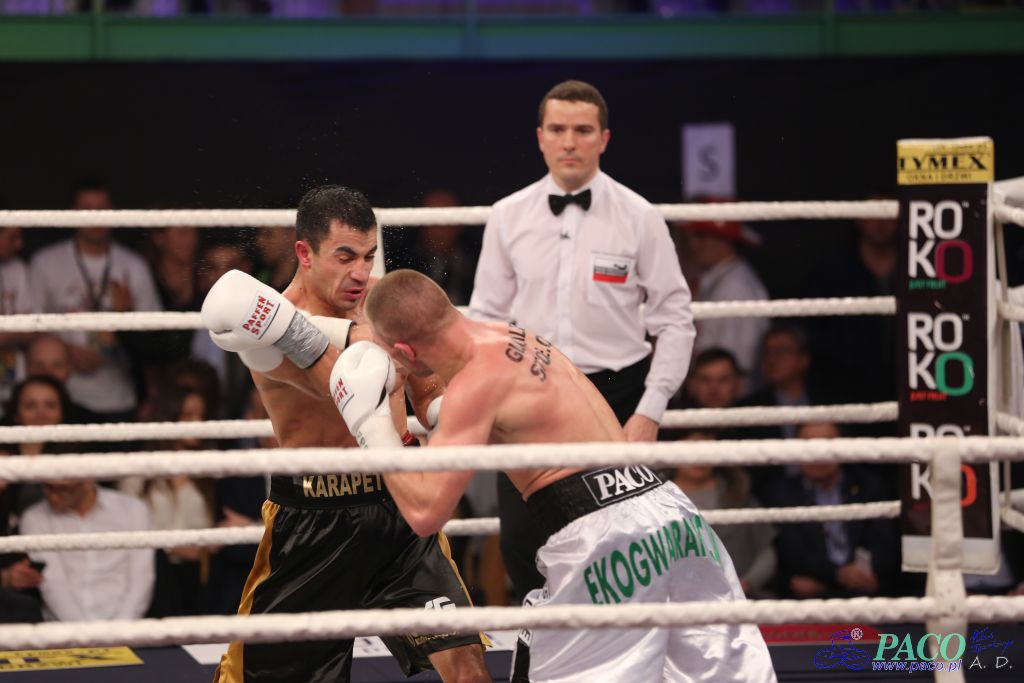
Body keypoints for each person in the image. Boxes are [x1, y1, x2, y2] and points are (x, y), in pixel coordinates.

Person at [205, 267, 773, 682]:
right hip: (672, 517)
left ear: (404, 350)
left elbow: (425, 514)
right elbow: (461, 413)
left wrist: (374, 429)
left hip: (605, 544)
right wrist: (295, 328)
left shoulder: (474, 388)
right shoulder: (514, 338)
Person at [201, 186, 489, 683]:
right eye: (345, 256)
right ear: (304, 253)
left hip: (399, 511)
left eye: (369, 256)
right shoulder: (268, 327)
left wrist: (457, 411)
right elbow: (346, 383)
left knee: (467, 666)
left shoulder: (382, 302)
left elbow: (428, 394)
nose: (360, 272)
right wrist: (360, 335)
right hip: (313, 522)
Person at [468, 80, 695, 600]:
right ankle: (545, 644)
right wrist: (488, 400)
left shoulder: (640, 216)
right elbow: (485, 319)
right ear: (540, 137)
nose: (569, 141)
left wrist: (650, 410)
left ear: (604, 138)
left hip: (617, 394)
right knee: (523, 541)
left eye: (582, 130)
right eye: (558, 129)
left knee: (623, 542)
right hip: (528, 391)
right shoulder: (508, 215)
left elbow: (675, 319)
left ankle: (622, 649)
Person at [28, 181, 162, 422]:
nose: (95, 216)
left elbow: (154, 338)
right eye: (86, 208)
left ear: (113, 211)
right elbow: (28, 326)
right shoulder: (45, 262)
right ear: (71, 213)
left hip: (119, 394)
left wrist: (126, 317)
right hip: (61, 397)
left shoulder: (133, 265)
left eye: (101, 208)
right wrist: (67, 351)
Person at [763, 422, 899, 599]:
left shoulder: (869, 485)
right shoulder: (780, 494)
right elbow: (790, 554)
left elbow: (884, 546)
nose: (818, 454)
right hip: (806, 602)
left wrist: (838, 581)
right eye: (808, 445)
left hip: (867, 595)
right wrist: (837, 575)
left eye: (827, 444)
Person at [19, 472, 155, 622]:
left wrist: (120, 628)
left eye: (64, 489)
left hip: (127, 624)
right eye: (47, 487)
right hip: (62, 626)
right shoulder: (34, 517)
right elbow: (53, 584)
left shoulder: (132, 509)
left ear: (88, 481)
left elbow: (141, 577)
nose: (53, 496)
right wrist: (84, 631)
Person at [679, 206, 769, 377]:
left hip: (722, 387)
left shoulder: (736, 287)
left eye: (701, 236)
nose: (693, 244)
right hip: (710, 383)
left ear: (724, 240)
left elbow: (737, 358)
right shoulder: (719, 279)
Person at [0, 226, 37, 418]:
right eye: (12, 237)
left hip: (12, 380)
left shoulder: (17, 268)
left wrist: (5, 335)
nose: (20, 244)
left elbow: (32, 328)